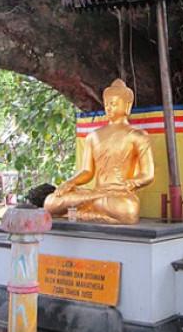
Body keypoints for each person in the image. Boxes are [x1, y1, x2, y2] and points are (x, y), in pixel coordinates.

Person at [43, 79, 154, 224]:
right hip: (97, 193)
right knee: (50, 202)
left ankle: (82, 211)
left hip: (118, 195)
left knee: (128, 210)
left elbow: (148, 174)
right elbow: (87, 171)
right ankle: (92, 210)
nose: (109, 108)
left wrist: (133, 183)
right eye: (107, 104)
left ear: (127, 106)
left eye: (114, 104)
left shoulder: (137, 135)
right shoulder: (93, 136)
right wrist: (69, 183)